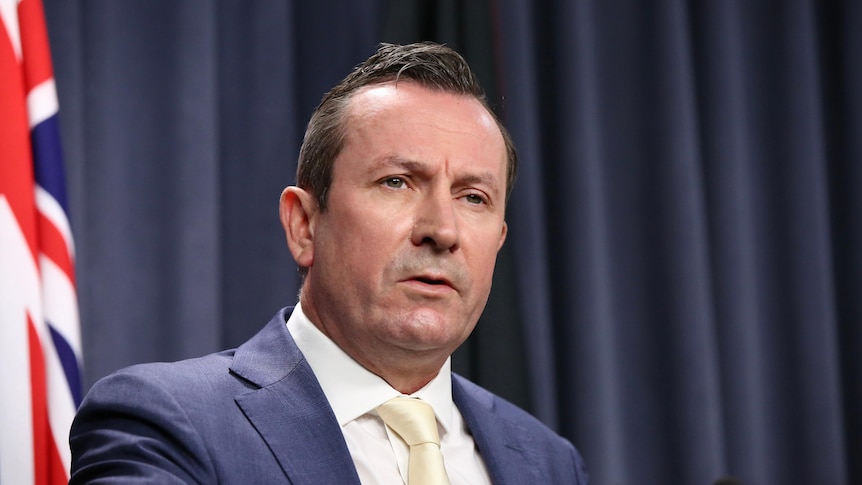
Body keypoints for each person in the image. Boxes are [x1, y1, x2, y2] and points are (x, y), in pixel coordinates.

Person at [70, 42, 589, 484]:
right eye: (397, 182)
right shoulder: (163, 424)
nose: (443, 230)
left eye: (473, 197)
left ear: (498, 241)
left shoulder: (547, 462)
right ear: (304, 224)